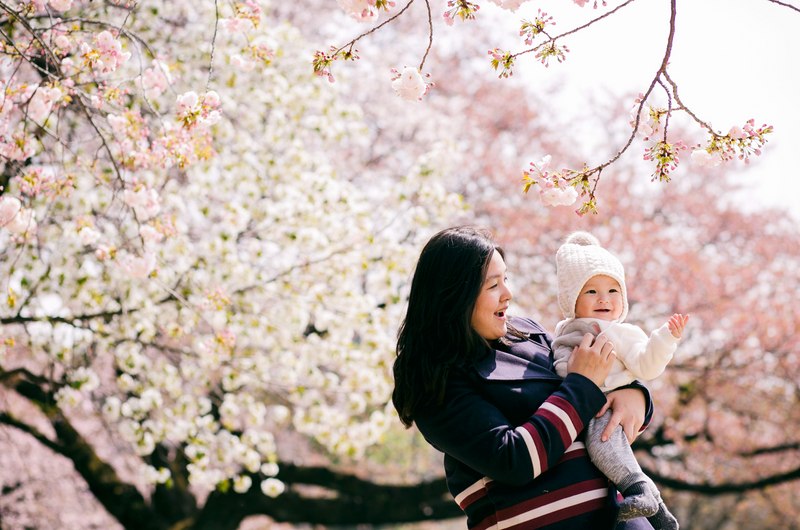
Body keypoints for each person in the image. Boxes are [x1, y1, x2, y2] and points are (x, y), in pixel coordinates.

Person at [392, 226, 656, 530]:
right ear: (455, 295)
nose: (508, 294)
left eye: (505, 279)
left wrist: (635, 395)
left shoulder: (529, 334)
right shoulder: (435, 382)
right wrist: (583, 386)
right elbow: (513, 460)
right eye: (493, 285)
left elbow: (602, 388)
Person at [551, 231, 687, 530]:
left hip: (605, 406)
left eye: (613, 291)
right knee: (615, 455)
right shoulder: (565, 329)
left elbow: (646, 364)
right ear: (571, 299)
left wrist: (665, 338)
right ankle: (661, 513)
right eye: (591, 292)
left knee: (604, 447)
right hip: (582, 404)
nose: (604, 299)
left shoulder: (616, 331)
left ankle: (639, 492)